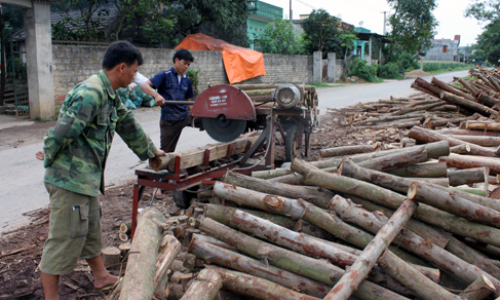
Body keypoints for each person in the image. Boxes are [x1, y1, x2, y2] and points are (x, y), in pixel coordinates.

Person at [35, 41, 166, 300]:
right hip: (70, 180)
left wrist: (151, 151)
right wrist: (49, 157)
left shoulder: (109, 93)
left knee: (90, 228)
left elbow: (127, 123)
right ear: (121, 67)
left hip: (87, 179)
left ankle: (101, 277)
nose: (134, 77)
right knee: (64, 239)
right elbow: (63, 132)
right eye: (134, 71)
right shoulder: (91, 93)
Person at [141, 49, 202, 153]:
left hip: (185, 116)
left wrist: (195, 112)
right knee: (166, 152)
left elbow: (188, 101)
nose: (186, 67)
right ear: (176, 60)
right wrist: (156, 95)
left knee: (209, 118)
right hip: (169, 120)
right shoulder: (165, 75)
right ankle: (158, 166)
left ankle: (235, 132)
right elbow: (144, 85)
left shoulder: (186, 79)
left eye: (188, 65)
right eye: (184, 63)